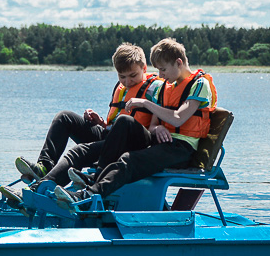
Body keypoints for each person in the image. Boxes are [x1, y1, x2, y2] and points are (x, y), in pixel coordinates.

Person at [53, 37, 216, 212]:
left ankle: (87, 196)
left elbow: (178, 118)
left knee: (129, 160)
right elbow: (153, 126)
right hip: (159, 142)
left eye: (163, 69)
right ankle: (97, 177)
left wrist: (145, 103)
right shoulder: (166, 87)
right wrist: (158, 127)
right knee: (124, 121)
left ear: (178, 62)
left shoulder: (200, 84)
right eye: (158, 70)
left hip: (181, 149)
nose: (161, 75)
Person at [0, 43, 162, 209]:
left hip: (132, 144)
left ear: (144, 68)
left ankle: (37, 190)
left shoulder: (156, 87)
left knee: (79, 151)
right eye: (122, 77)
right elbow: (115, 122)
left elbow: (154, 122)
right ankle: (44, 167)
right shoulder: (121, 87)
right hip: (110, 136)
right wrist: (101, 123)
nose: (127, 82)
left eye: (133, 76)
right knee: (64, 117)